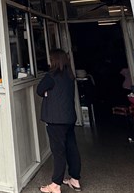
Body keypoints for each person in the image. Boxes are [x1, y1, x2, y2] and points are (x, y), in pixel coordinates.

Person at [36, 49, 82, 193]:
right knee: (71, 148)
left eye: (50, 59)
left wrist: (47, 93)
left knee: (58, 152)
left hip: (55, 120)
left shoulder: (51, 76)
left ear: (54, 60)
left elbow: (39, 90)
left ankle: (55, 185)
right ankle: (75, 179)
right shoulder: (70, 75)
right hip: (69, 118)